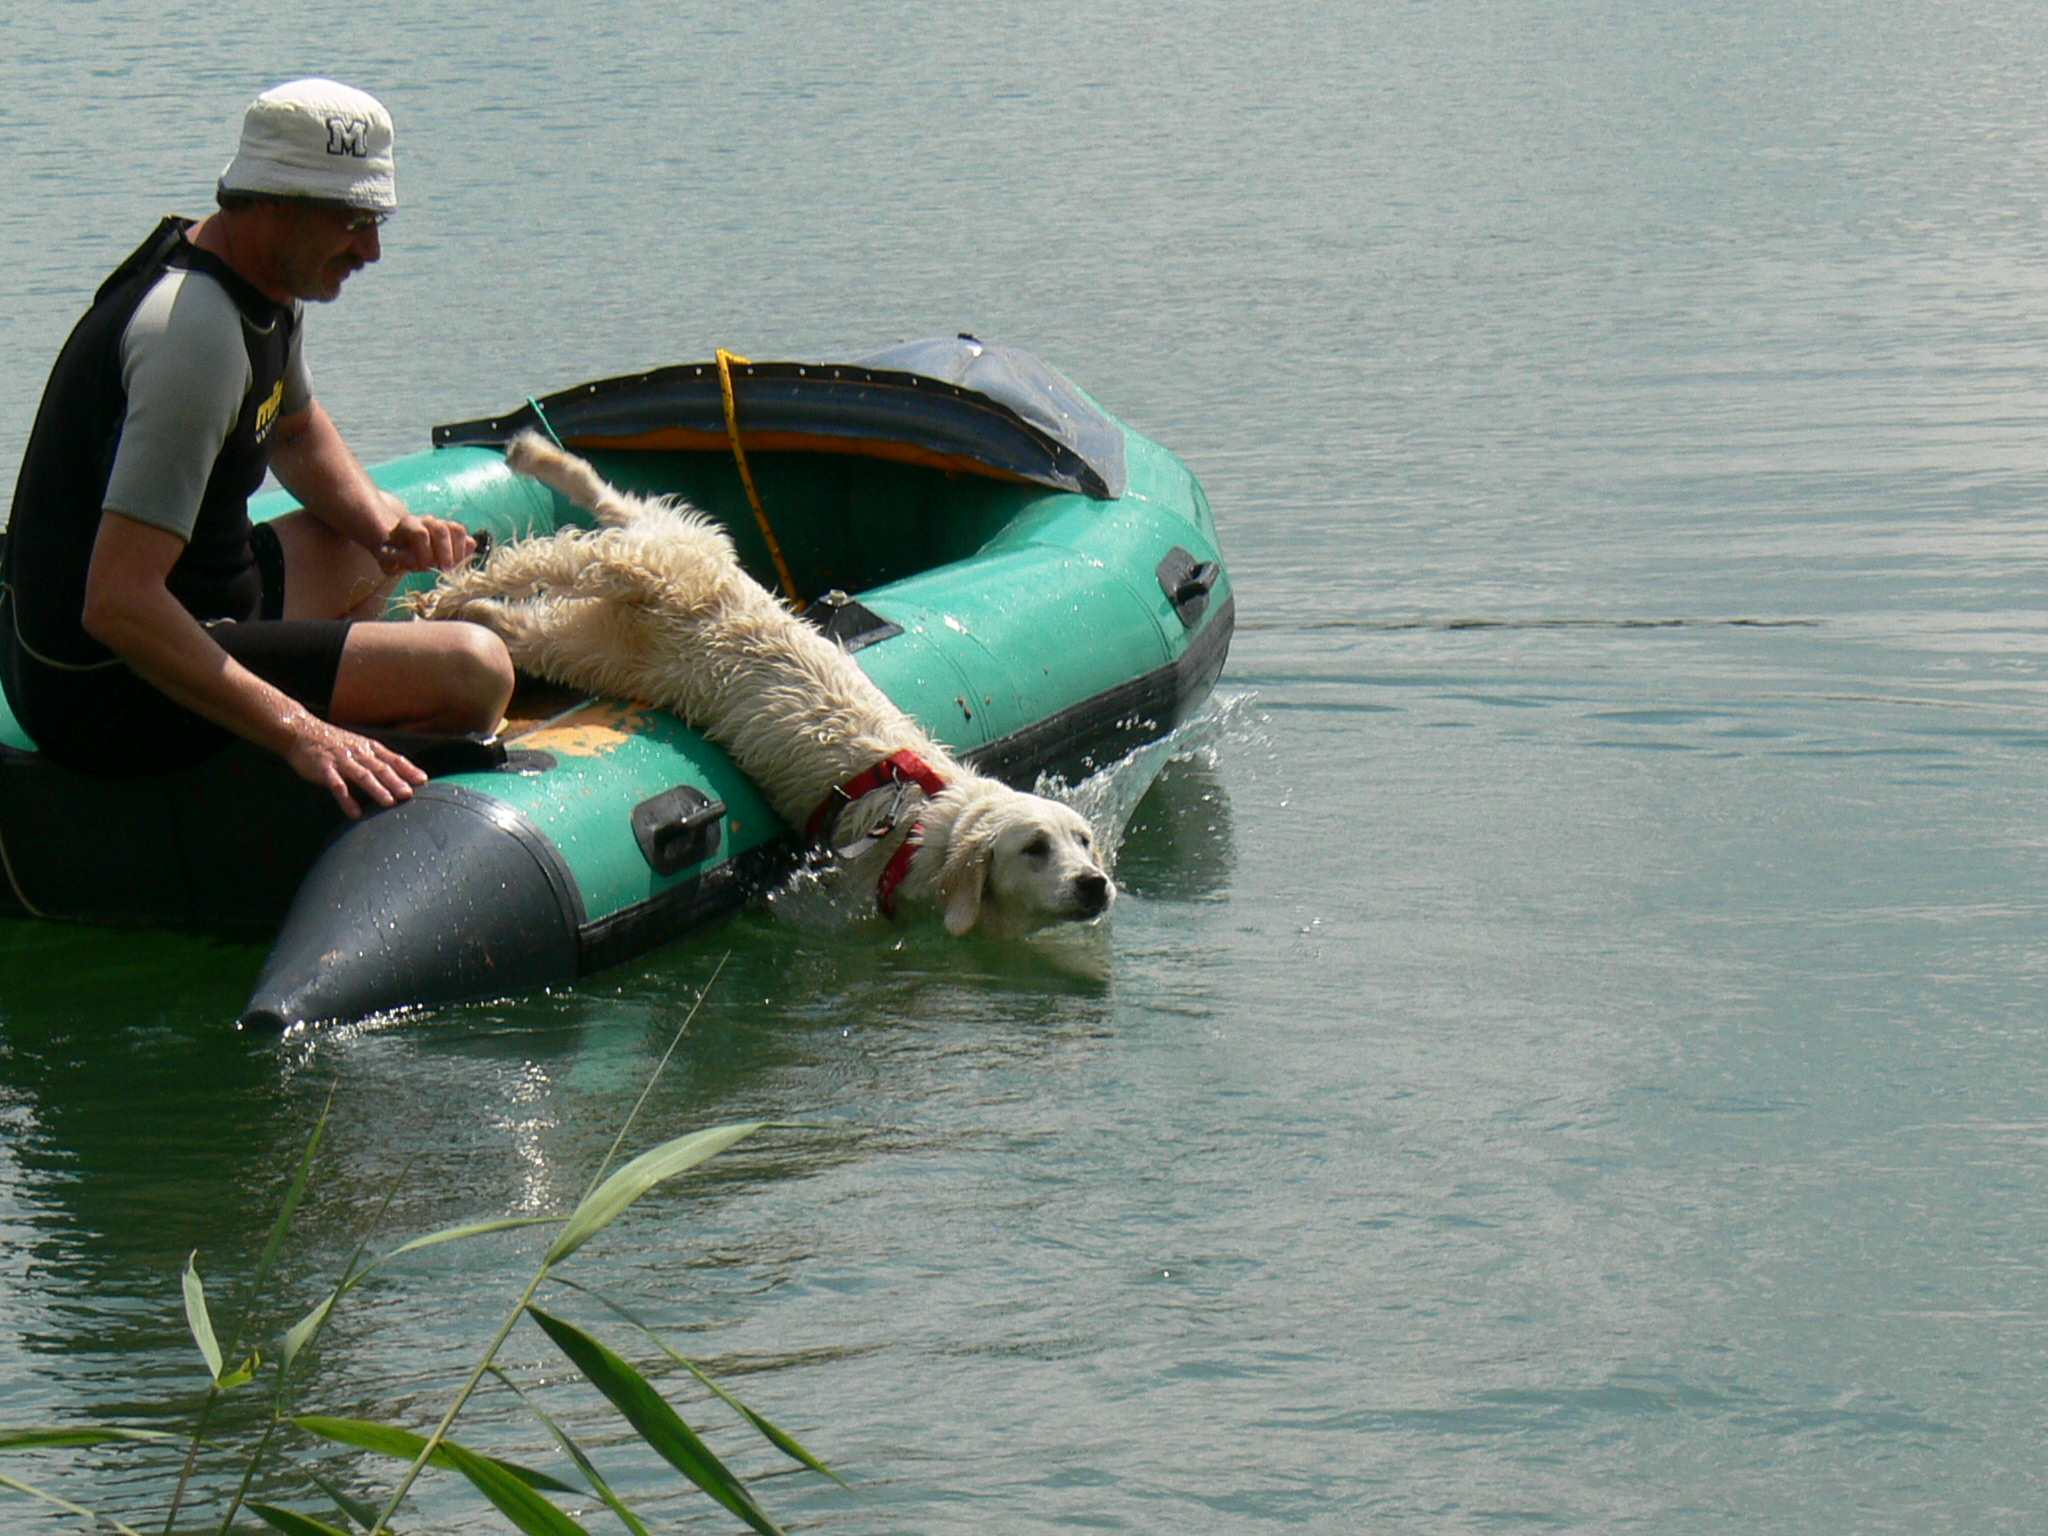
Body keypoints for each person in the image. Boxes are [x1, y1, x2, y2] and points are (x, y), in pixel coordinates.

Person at [0, 78, 513, 818]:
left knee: (372, 544)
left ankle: (320, 722)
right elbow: (116, 603)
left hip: (206, 605)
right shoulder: (194, 340)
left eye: (377, 220)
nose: (370, 249)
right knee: (476, 673)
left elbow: (296, 430)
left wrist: (386, 530)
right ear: (271, 200)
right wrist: (300, 731)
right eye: (350, 220)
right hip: (105, 683)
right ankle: (303, 773)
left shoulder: (262, 279)